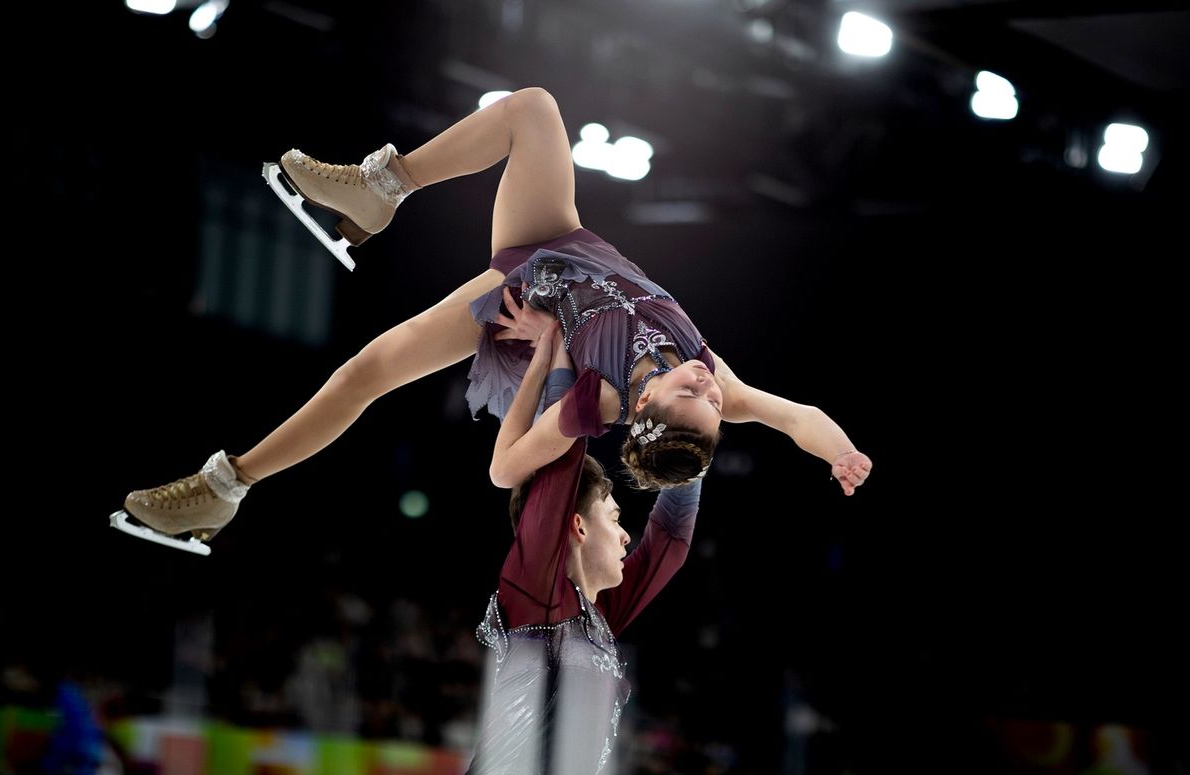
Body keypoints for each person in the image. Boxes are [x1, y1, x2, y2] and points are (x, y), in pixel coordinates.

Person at [116, 87, 871, 548]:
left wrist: (543, 354)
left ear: (642, 407)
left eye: (693, 400)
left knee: (364, 373)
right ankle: (378, 189)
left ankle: (224, 488)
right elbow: (800, 415)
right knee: (532, 109)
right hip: (563, 239)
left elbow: (504, 468)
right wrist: (839, 453)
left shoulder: (595, 403)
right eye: (711, 401)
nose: (710, 388)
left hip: (517, 294)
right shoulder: (718, 385)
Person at [451, 321, 702, 775]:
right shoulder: (537, 600)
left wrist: (690, 440)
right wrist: (571, 367)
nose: (629, 535)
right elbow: (560, 463)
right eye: (615, 517)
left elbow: (668, 543)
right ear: (578, 527)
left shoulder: (597, 618)